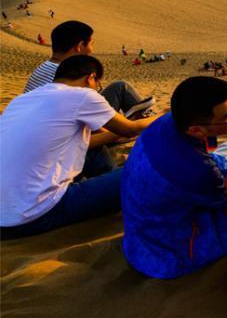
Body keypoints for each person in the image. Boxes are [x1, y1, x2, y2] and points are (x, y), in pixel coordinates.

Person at [0, 56, 156, 237]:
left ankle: (107, 180)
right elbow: (131, 129)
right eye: (97, 87)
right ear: (91, 78)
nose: (97, 91)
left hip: (6, 217)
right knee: (145, 174)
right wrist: (165, 117)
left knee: (94, 153)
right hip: (34, 215)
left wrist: (113, 135)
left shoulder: (21, 101)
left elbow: (80, 144)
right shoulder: (82, 95)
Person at [121, 77, 227, 279]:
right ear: (196, 130)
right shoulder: (198, 172)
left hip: (138, 225)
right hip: (163, 249)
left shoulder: (166, 122)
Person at [24, 20, 154, 118]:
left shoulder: (45, 67)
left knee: (120, 87)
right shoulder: (67, 76)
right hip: (67, 129)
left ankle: (143, 117)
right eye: (91, 44)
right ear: (80, 46)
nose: (92, 50)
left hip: (54, 120)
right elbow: (83, 114)